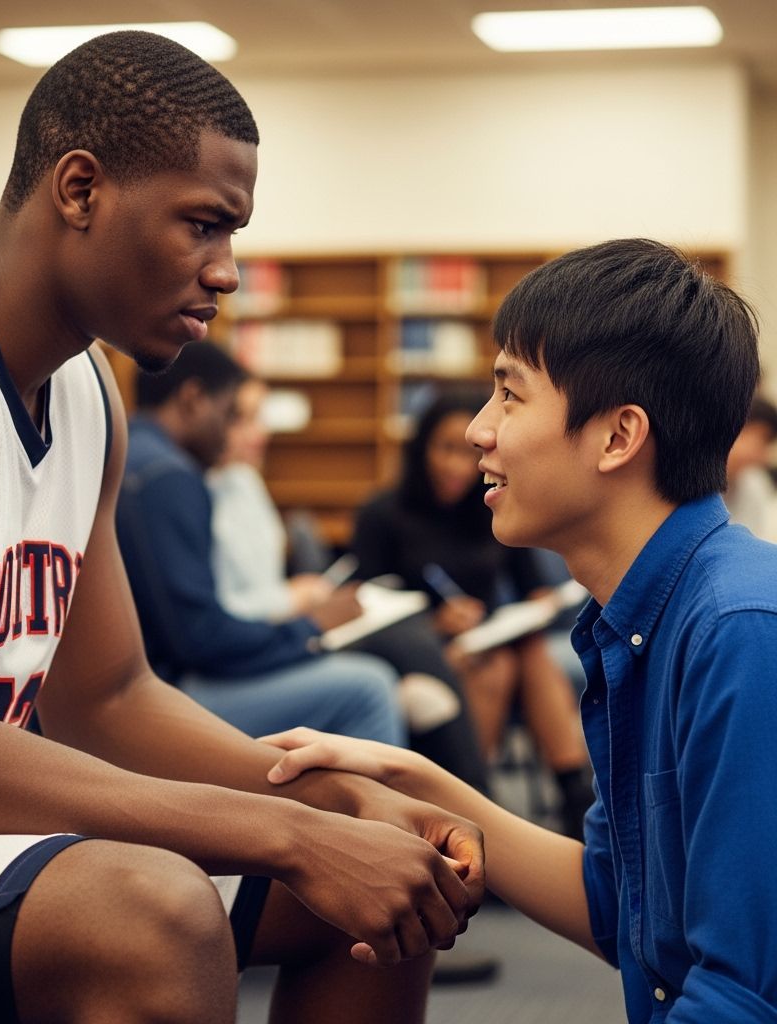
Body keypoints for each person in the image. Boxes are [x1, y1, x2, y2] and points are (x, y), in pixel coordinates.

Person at [0, 31, 484, 1024]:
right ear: (81, 188)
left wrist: (336, 808)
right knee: (155, 913)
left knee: (384, 876)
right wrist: (283, 835)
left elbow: (110, 696)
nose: (225, 272)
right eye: (202, 226)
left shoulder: (90, 390)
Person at [261, 238, 777, 1023]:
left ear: (617, 437)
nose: (477, 431)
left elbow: (741, 996)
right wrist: (412, 781)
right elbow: (620, 908)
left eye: (509, 395)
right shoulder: (641, 616)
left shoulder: (739, 629)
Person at [209, 372, 491, 795]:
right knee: (407, 642)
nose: (260, 432)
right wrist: (294, 598)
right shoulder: (195, 491)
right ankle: (476, 803)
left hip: (286, 629)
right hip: (271, 639)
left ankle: (459, 811)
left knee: (434, 679)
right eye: (244, 418)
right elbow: (218, 611)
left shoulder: (246, 483)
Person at [117, 340, 408, 746]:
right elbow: (200, 639)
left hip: (144, 680)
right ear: (194, 399)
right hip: (166, 692)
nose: (230, 430)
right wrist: (309, 629)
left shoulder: (130, 451)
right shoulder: (168, 477)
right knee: (370, 688)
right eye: (230, 413)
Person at [352, 388, 593, 836]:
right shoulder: (383, 513)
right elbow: (365, 605)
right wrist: (433, 623)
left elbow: (530, 587)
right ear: (421, 446)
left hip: (486, 642)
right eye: (444, 449)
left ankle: (508, 809)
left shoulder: (489, 506)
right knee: (504, 663)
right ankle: (494, 804)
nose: (457, 467)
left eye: (467, 454)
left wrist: (538, 605)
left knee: (520, 651)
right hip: (417, 650)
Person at [724, 393, 777, 541]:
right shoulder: (693, 477)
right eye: (763, 440)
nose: (764, 456)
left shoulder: (754, 483)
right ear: (739, 429)